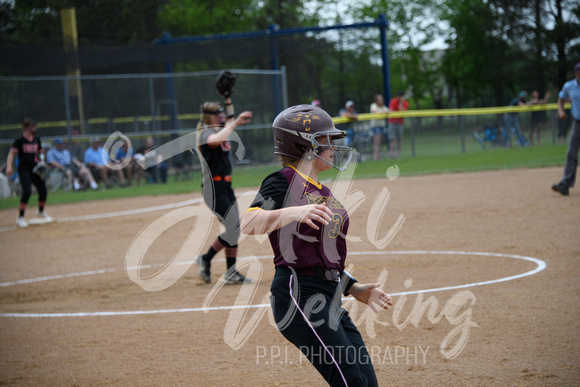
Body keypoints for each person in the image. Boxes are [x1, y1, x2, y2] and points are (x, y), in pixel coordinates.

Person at [241, 104, 393, 386]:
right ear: (305, 145)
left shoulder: (323, 190)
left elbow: (317, 254)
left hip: (330, 295)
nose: (333, 147)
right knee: (351, 380)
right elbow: (249, 223)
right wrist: (294, 212)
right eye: (326, 141)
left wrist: (354, 288)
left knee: (365, 380)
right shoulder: (283, 180)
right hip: (298, 293)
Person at [196, 98, 254, 284]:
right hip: (213, 189)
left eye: (221, 112)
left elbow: (229, 121)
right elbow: (215, 140)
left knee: (235, 229)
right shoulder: (206, 134)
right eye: (217, 113)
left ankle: (231, 272)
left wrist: (229, 98)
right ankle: (205, 259)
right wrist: (235, 122)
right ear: (209, 117)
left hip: (226, 187)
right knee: (233, 228)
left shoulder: (220, 130)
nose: (221, 116)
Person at [5, 118, 53, 227]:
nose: (34, 128)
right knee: (26, 191)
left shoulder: (36, 139)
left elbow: (40, 152)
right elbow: (11, 154)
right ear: (25, 128)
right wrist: (9, 167)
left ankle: (41, 211)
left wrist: (41, 161)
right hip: (23, 168)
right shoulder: (20, 140)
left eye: (34, 126)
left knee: (43, 190)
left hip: (35, 168)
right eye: (31, 127)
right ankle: (20, 217)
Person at [551, 62, 580, 196]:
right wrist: (561, 110)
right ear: (576, 74)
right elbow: (561, 98)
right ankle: (565, 184)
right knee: (571, 153)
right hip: (577, 123)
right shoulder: (569, 86)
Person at [388, 90, 409, 158]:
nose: (400, 97)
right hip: (392, 122)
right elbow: (391, 110)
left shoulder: (405, 103)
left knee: (399, 138)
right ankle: (391, 154)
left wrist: (401, 102)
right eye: (399, 96)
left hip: (400, 123)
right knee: (392, 138)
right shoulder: (393, 101)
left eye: (402, 96)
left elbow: (401, 111)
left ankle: (398, 153)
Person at [369, 94, 390, 161]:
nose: (381, 101)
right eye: (379, 99)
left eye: (381, 99)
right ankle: (375, 158)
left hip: (381, 126)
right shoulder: (373, 105)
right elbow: (376, 112)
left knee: (380, 142)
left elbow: (389, 111)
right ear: (376, 100)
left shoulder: (383, 107)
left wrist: (384, 112)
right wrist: (384, 112)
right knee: (376, 142)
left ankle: (378, 157)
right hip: (375, 126)